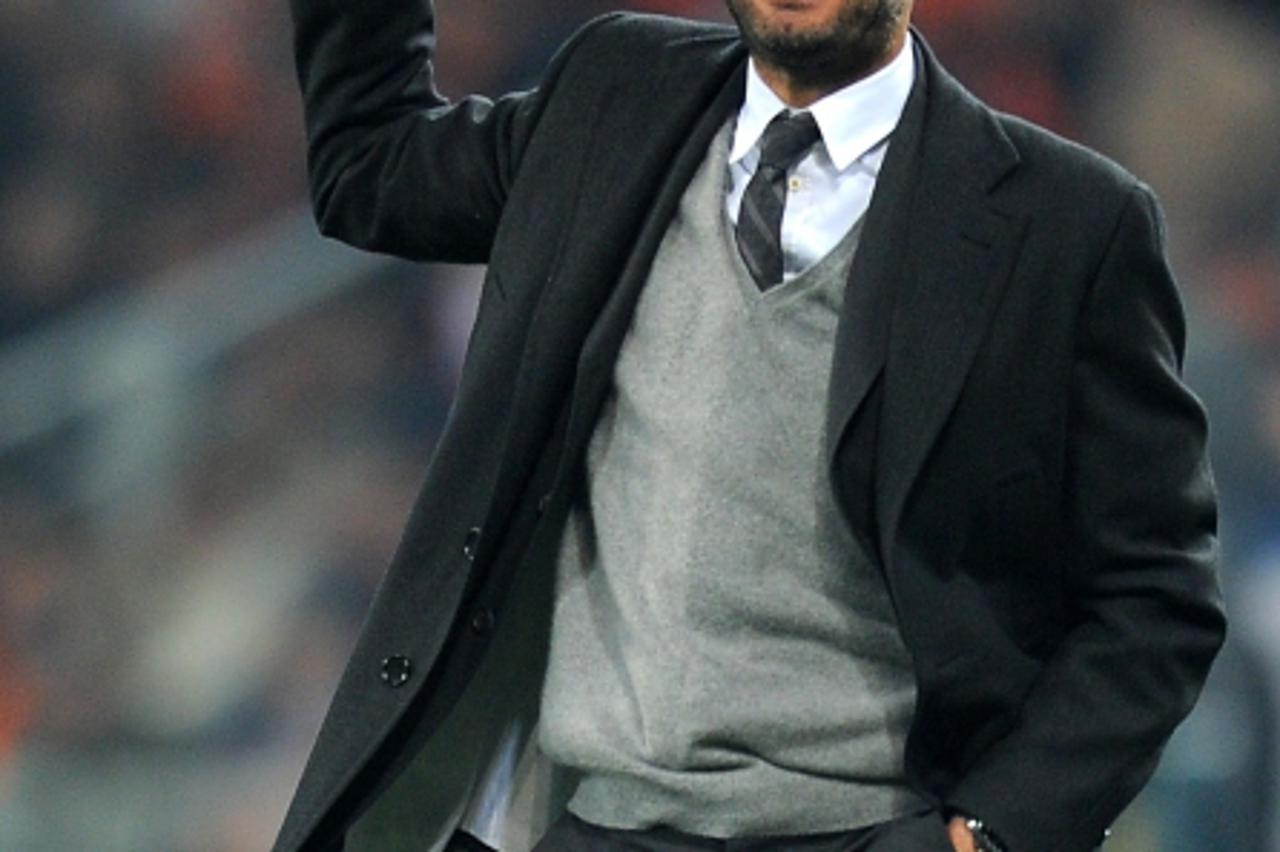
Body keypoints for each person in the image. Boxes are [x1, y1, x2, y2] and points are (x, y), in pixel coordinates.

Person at [274, 1, 1226, 850]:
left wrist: (992, 831)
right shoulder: (615, 95)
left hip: (866, 828)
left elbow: (1155, 597)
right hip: (598, 820)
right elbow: (372, 169)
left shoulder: (1072, 224)